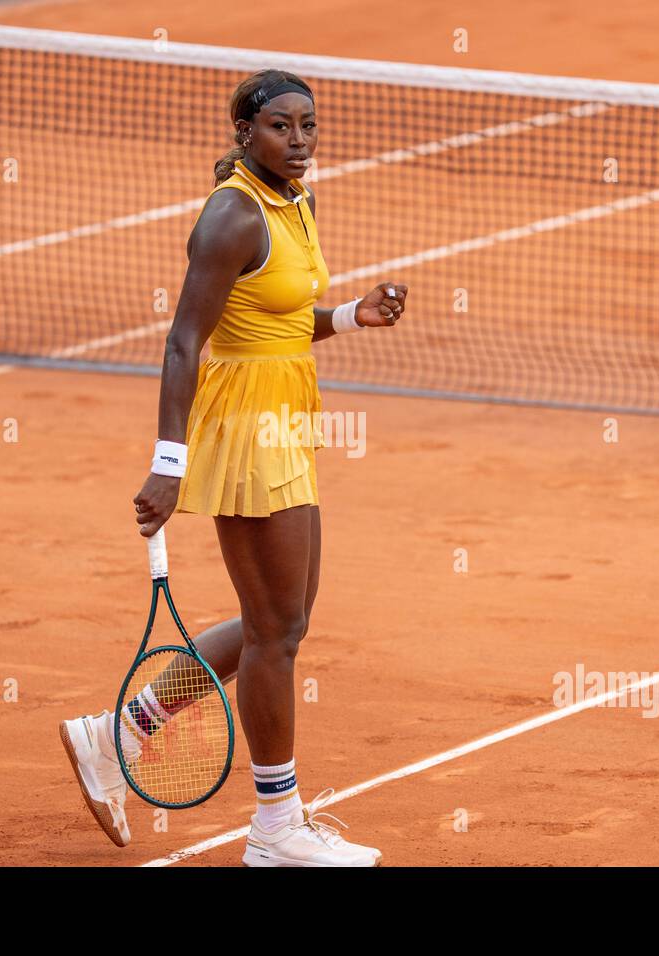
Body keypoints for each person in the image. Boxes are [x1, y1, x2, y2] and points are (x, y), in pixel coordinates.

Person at [61, 68, 406, 866]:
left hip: (288, 416)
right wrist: (167, 463)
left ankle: (115, 737)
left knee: (279, 624)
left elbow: (278, 321)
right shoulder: (232, 215)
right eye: (282, 127)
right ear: (245, 132)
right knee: (275, 634)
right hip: (248, 428)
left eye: (309, 125)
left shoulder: (296, 200)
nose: (300, 140)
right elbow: (184, 341)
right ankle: (276, 828)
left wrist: (352, 316)